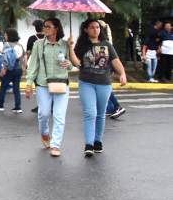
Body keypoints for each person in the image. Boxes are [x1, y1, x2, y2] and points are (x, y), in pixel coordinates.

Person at [72, 18, 127, 156]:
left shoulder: (106, 44)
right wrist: (69, 47)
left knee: (101, 114)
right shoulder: (81, 45)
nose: (95, 29)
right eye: (92, 27)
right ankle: (89, 144)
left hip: (104, 83)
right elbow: (76, 63)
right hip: (86, 83)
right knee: (90, 113)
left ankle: (97, 141)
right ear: (86, 29)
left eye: (97, 27)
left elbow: (116, 61)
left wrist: (122, 73)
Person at [25, 17, 75, 157]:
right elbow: (33, 65)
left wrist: (68, 63)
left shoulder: (65, 44)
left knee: (59, 116)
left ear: (56, 28)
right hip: (43, 85)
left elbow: (72, 65)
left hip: (61, 83)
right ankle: (45, 133)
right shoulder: (38, 44)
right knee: (44, 114)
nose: (45, 28)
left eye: (48, 26)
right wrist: (29, 84)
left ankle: (56, 145)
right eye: (44, 26)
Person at [0, 28, 24, 113]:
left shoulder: (7, 45)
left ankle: (0, 105)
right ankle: (18, 107)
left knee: (3, 86)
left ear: (9, 36)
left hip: (9, 69)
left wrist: (4, 68)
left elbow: (6, 58)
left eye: (6, 35)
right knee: (16, 88)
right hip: (18, 69)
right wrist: (24, 67)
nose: (5, 36)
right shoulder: (20, 45)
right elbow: (23, 57)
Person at [26, 19, 46, 114]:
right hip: (45, 66)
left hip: (34, 66)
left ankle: (41, 106)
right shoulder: (48, 37)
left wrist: (25, 64)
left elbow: (28, 53)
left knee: (39, 87)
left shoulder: (31, 38)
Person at [141, 19, 161, 83]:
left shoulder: (156, 41)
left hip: (154, 52)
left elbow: (158, 45)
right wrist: (144, 55)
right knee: (149, 66)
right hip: (148, 52)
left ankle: (152, 77)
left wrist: (158, 51)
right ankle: (150, 77)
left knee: (154, 66)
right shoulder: (148, 38)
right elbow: (144, 47)